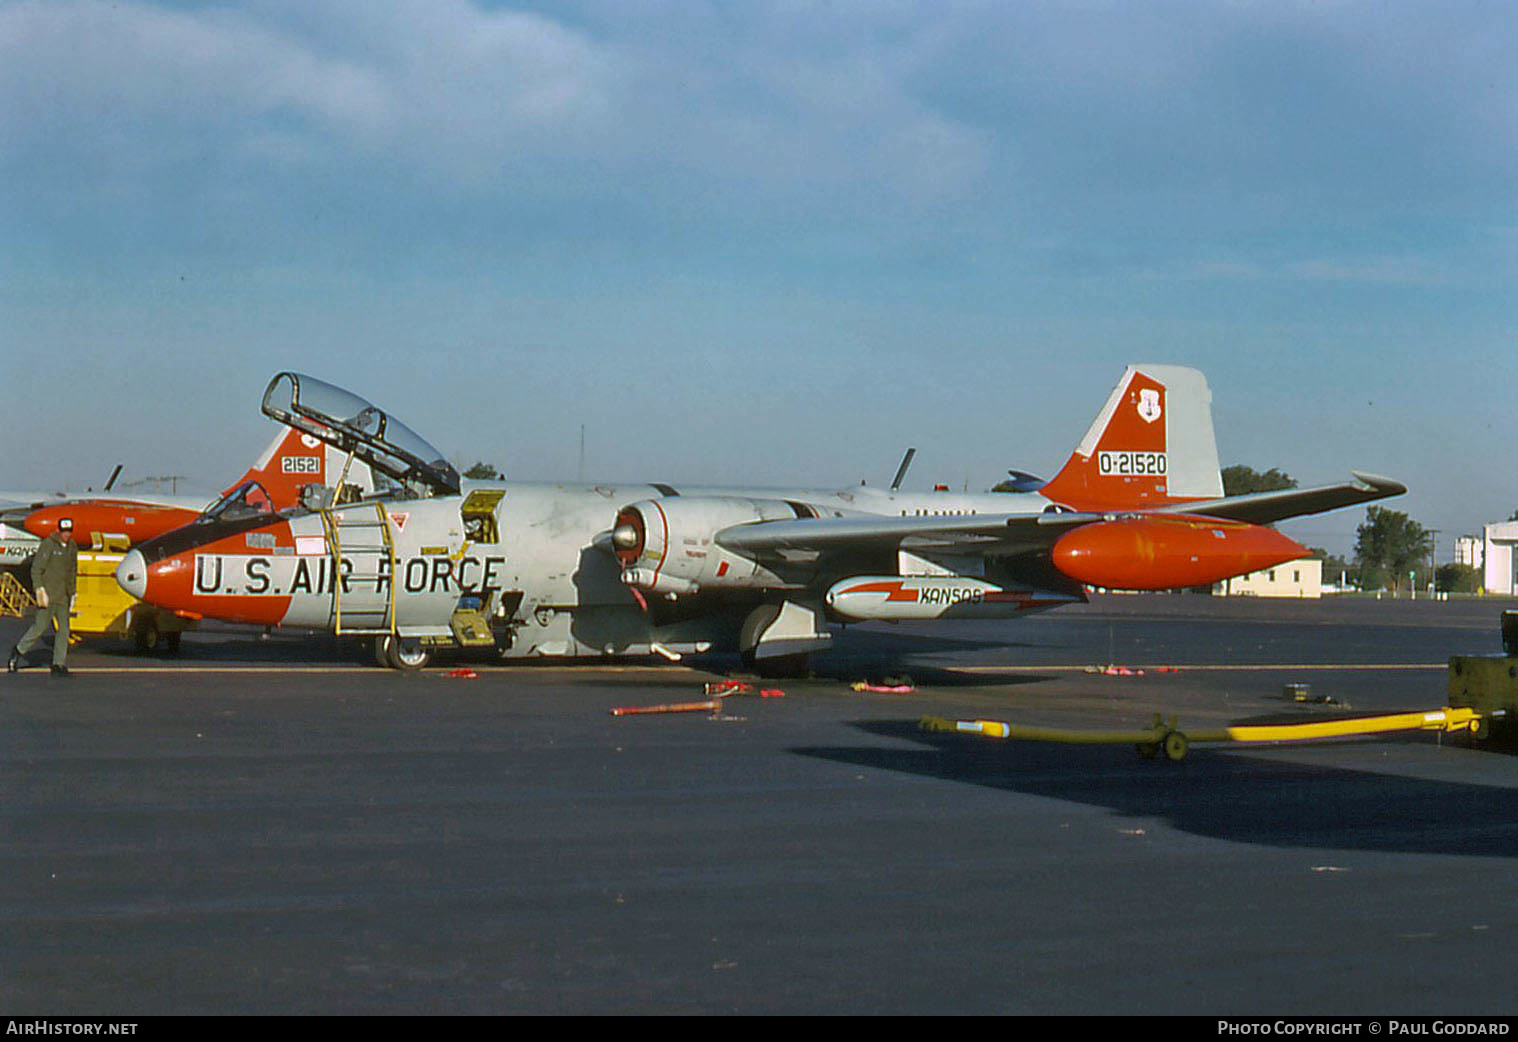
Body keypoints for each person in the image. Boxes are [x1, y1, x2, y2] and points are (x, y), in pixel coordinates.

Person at [8, 517, 79, 676]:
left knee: (64, 630)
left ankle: (58, 664)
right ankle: (18, 652)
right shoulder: (48, 545)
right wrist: (39, 590)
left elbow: (72, 571)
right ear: (58, 531)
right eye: (64, 531)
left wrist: (73, 592)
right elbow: (36, 569)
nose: (66, 534)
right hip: (47, 596)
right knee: (39, 627)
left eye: (69, 531)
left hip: (63, 597)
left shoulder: (72, 547)